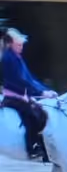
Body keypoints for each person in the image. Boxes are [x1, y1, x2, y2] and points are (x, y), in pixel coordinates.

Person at [1, 28, 55, 163]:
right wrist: (40, 93)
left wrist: (46, 90)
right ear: (11, 44)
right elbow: (19, 81)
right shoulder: (9, 58)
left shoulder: (17, 57)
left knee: (41, 114)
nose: (22, 47)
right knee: (31, 115)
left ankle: (43, 148)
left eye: (22, 44)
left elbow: (31, 79)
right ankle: (32, 149)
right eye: (19, 45)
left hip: (21, 95)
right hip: (13, 97)